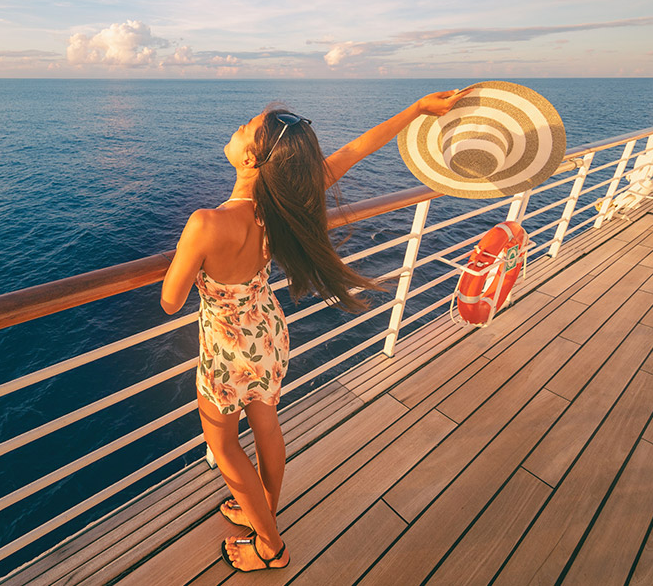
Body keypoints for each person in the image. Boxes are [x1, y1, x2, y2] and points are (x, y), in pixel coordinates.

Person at [159, 89, 468, 572]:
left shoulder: (206, 223)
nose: (238, 127)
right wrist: (416, 110)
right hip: (267, 333)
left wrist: (187, 258)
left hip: (227, 349)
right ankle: (263, 509)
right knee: (266, 425)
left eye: (246, 128)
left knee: (223, 445)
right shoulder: (286, 198)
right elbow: (357, 150)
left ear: (250, 158)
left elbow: (170, 300)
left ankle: (270, 546)